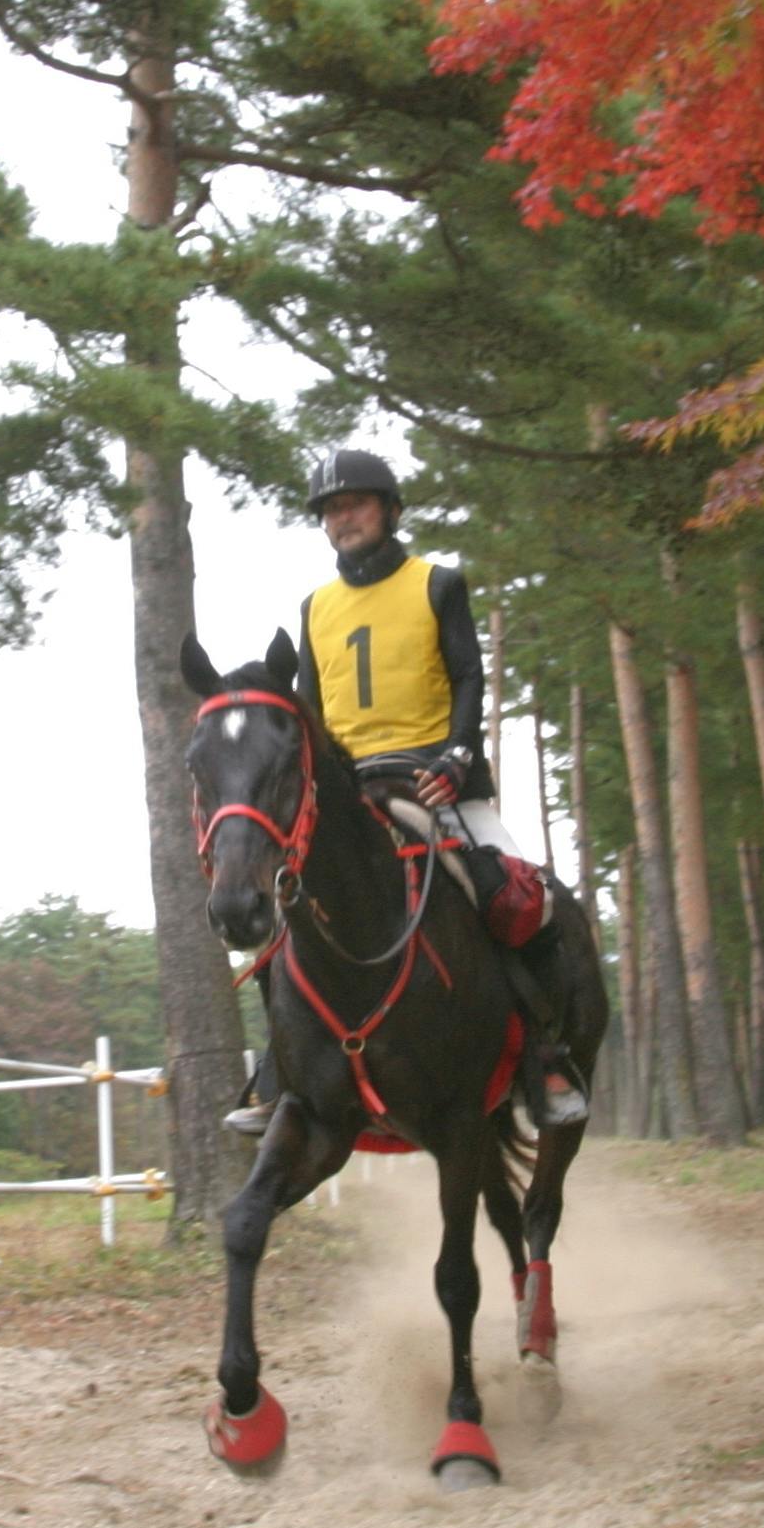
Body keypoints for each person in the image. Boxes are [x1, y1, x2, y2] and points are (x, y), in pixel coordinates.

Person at [223, 447, 592, 1136]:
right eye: (332, 510)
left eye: (356, 504)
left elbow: (468, 678)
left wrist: (457, 755)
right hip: (349, 789)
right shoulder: (316, 607)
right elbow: (309, 711)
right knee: (287, 916)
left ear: (389, 511)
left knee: (518, 900)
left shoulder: (437, 583)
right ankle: (281, 1072)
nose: (344, 518)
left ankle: (548, 1057)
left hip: (436, 781)